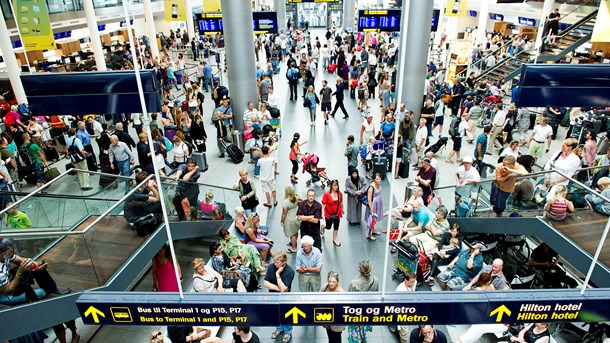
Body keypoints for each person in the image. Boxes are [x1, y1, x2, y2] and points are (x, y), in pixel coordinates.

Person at [265, 251, 295, 343]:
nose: (275, 264)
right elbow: (266, 283)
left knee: (287, 315)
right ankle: (279, 328)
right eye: (275, 262)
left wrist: (277, 275)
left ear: (284, 262)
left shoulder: (290, 272)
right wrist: (278, 288)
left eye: (277, 262)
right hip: (273, 297)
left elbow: (284, 289)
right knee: (276, 314)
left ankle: (287, 332)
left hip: (285, 298)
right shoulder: (271, 267)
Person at [347, 260, 378, 342]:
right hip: (368, 311)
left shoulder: (353, 283)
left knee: (355, 336)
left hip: (356, 313)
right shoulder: (375, 280)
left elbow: (349, 300)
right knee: (363, 332)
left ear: (359, 269)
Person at [321, 271, 345, 342]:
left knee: (336, 338)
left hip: (337, 323)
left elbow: (342, 311)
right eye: (329, 281)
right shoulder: (325, 287)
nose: (331, 284)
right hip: (327, 319)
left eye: (333, 282)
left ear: (337, 281)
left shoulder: (341, 293)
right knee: (330, 337)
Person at [395, 271, 417, 343]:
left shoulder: (414, 283)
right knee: (404, 331)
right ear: (405, 280)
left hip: (409, 307)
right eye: (411, 282)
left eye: (414, 281)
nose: (413, 283)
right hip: (401, 309)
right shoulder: (400, 289)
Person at [322, 179, 344, 247]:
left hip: (337, 213)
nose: (336, 187)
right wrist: (323, 213)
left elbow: (341, 202)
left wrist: (342, 209)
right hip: (329, 213)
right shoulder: (327, 194)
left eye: (337, 185)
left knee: (336, 226)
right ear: (331, 186)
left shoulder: (340, 194)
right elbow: (323, 204)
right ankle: (323, 227)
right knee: (328, 227)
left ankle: (334, 239)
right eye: (334, 185)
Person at [281, 185, 301, 253]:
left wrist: (282, 220)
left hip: (289, 220)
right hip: (297, 218)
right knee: (295, 232)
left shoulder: (285, 202)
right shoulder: (297, 197)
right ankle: (293, 242)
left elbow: (284, 213)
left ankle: (294, 248)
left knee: (292, 234)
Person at [364, 173, 383, 240]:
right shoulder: (371, 187)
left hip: (378, 203)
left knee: (374, 219)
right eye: (377, 179)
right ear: (374, 179)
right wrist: (371, 210)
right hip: (373, 205)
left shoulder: (378, 185)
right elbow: (369, 199)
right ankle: (369, 234)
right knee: (371, 219)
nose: (378, 180)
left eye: (379, 179)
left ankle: (373, 230)